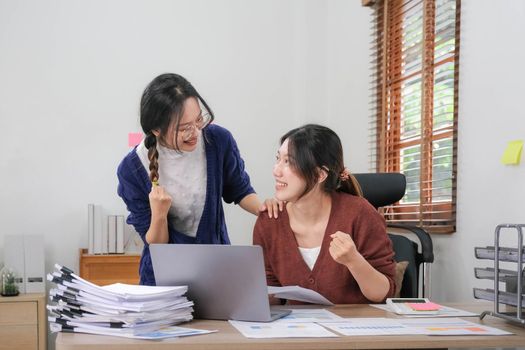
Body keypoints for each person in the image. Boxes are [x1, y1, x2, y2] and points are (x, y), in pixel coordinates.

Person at [117, 73, 280, 285]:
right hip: (162, 281)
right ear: (156, 129)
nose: (195, 132)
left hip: (215, 271)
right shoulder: (132, 169)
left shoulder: (218, 141)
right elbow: (157, 244)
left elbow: (239, 190)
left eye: (198, 120)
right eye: (184, 128)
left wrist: (265, 209)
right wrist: (159, 214)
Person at [253, 124, 396, 304]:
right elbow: (270, 294)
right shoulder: (269, 221)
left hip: (354, 328)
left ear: (320, 174)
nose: (276, 171)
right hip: (296, 330)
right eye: (278, 159)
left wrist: (354, 261)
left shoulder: (360, 214)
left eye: (288, 161)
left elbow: (384, 293)